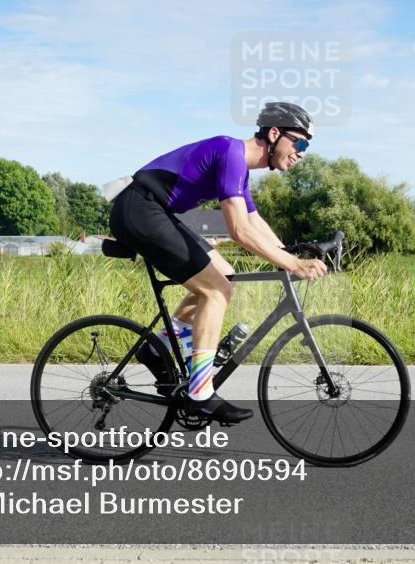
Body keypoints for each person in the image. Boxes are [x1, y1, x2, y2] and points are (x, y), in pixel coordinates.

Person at [108, 102, 328, 424]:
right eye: (301, 142)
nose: (303, 153)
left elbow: (254, 222)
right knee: (216, 291)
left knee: (225, 274)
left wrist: (293, 253)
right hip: (139, 210)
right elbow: (238, 231)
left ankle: (159, 348)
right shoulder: (230, 153)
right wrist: (293, 264)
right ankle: (200, 392)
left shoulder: (239, 169)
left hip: (154, 211)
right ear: (275, 133)